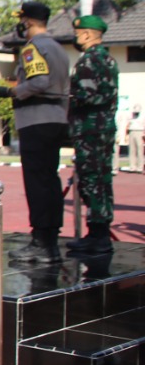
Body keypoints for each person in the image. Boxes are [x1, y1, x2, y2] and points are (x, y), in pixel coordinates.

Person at [0, 1, 70, 263]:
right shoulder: (58, 48)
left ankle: (41, 243)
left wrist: (12, 91)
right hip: (57, 118)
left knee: (37, 183)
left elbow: (39, 81)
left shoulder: (33, 48)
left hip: (36, 119)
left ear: (27, 21)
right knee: (49, 181)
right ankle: (50, 241)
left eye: (22, 20)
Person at [65, 15, 118, 255]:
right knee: (103, 180)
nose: (77, 38)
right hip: (105, 128)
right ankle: (100, 232)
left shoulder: (87, 61)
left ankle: (98, 237)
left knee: (91, 181)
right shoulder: (109, 59)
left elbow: (86, 96)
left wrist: (67, 97)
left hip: (89, 130)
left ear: (87, 35)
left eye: (79, 34)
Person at [126, 105, 144, 173]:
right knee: (131, 150)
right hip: (131, 131)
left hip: (139, 131)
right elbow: (128, 124)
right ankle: (132, 167)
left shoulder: (143, 116)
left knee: (140, 150)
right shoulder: (131, 115)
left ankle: (140, 168)